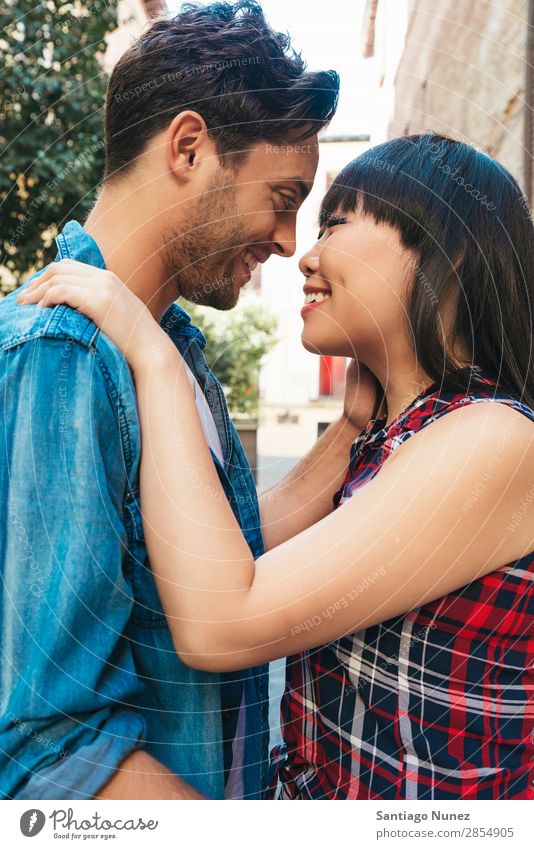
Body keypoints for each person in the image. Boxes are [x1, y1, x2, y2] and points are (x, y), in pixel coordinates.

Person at [25, 133, 534, 800]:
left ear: (451, 250)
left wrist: (153, 356)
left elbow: (220, 621)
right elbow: (235, 555)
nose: (304, 254)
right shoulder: (400, 438)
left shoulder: (492, 440)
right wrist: (352, 427)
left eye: (337, 221)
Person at [0, 1, 351, 800]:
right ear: (189, 147)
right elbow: (53, 750)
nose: (291, 242)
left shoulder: (169, 351)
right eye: (285, 195)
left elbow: (227, 557)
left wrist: (356, 428)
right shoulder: (61, 357)